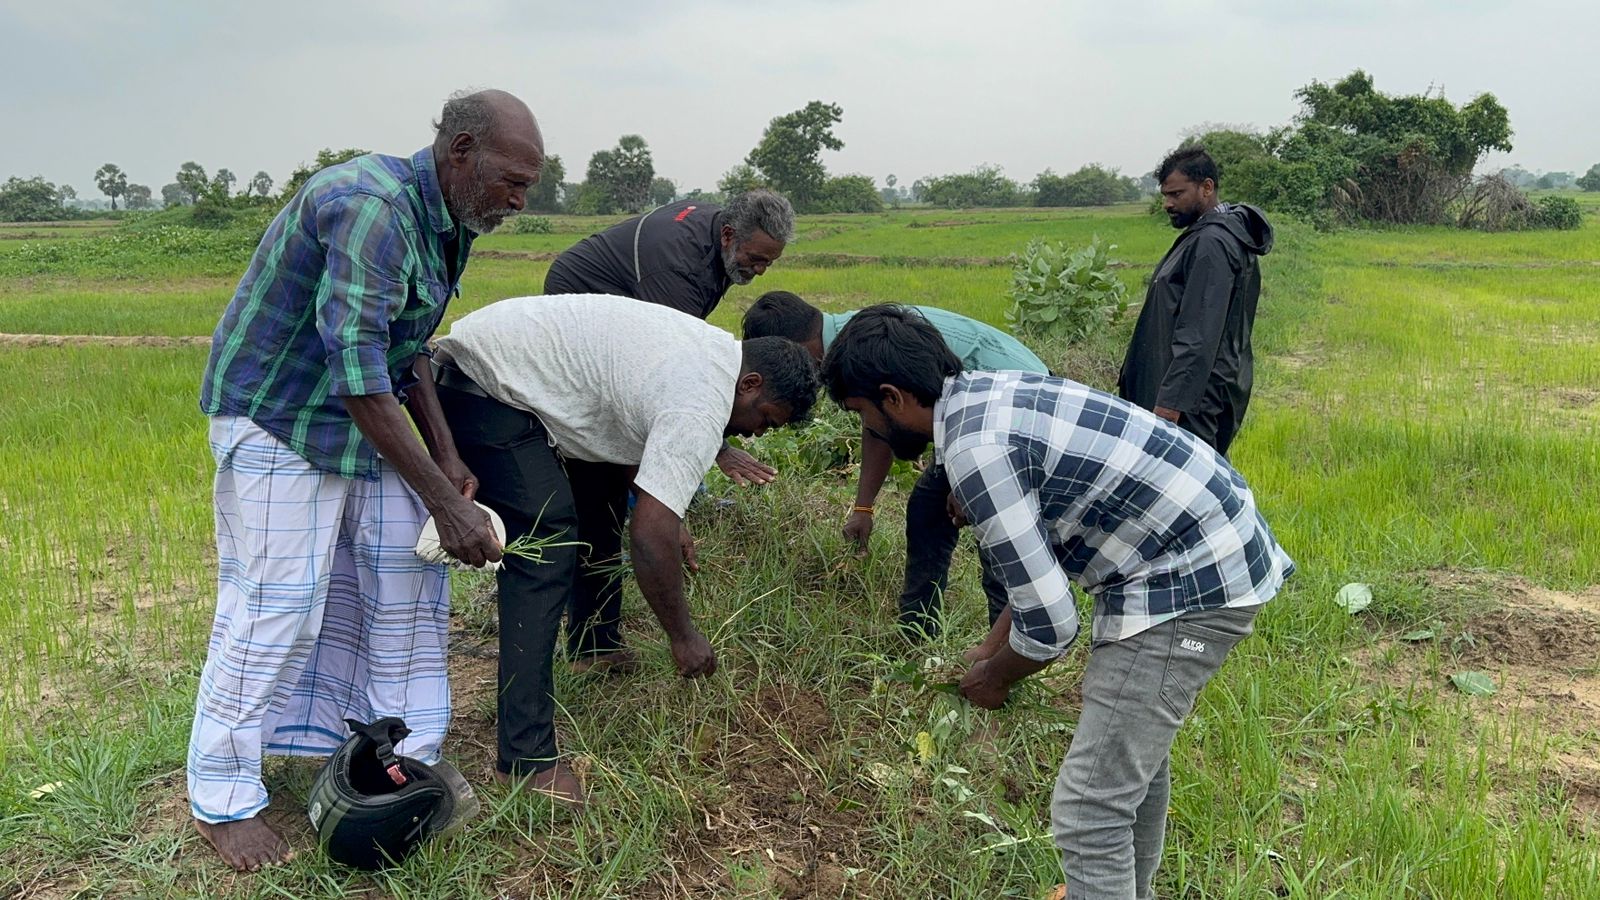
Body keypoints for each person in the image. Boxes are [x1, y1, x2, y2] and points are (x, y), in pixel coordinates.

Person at [822, 306, 1293, 899]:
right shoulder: (987, 394)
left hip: (1188, 584)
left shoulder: (976, 450)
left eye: (863, 414)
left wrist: (994, 677)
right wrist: (988, 647)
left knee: (1089, 808)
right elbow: (1040, 568)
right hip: (1208, 549)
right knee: (1130, 771)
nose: (869, 428)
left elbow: (1050, 624)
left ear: (892, 398)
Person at [189, 89, 545, 871]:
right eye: (513, 182)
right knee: (278, 603)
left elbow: (407, 349)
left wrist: (445, 456)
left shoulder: (451, 219)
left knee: (402, 578)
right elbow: (356, 369)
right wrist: (446, 505)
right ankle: (221, 797)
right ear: (461, 152)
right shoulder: (372, 208)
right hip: (281, 413)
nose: (521, 201)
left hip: (357, 413)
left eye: (528, 186)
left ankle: (386, 754)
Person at [430, 294, 819, 804]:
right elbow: (650, 534)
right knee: (547, 546)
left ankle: (594, 649)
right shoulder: (702, 402)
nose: (754, 433)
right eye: (764, 419)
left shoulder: (713, 354)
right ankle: (524, 761)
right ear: (750, 385)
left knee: (600, 498)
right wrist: (684, 637)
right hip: (484, 386)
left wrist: (667, 511)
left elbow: (636, 438)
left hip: (498, 371)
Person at [742, 290, 1049, 638]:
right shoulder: (850, 343)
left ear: (793, 348)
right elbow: (880, 425)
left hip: (1020, 409)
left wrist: (965, 481)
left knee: (998, 540)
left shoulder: (864, 346)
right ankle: (916, 633)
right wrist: (863, 508)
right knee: (927, 510)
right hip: (972, 417)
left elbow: (963, 415)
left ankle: (1010, 650)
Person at [1118, 146, 1274, 456]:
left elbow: (1198, 333)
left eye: (1176, 194)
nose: (1167, 203)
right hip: (1197, 393)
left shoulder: (1212, 243)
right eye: (1165, 195)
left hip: (1193, 402)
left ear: (1207, 187)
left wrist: (1170, 405)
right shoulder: (1215, 235)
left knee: (1184, 479)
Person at [543, 188, 794, 319]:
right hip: (578, 290)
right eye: (755, 259)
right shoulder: (680, 266)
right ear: (728, 235)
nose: (760, 270)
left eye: (769, 263)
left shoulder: (720, 225)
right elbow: (674, 347)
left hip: (637, 283)